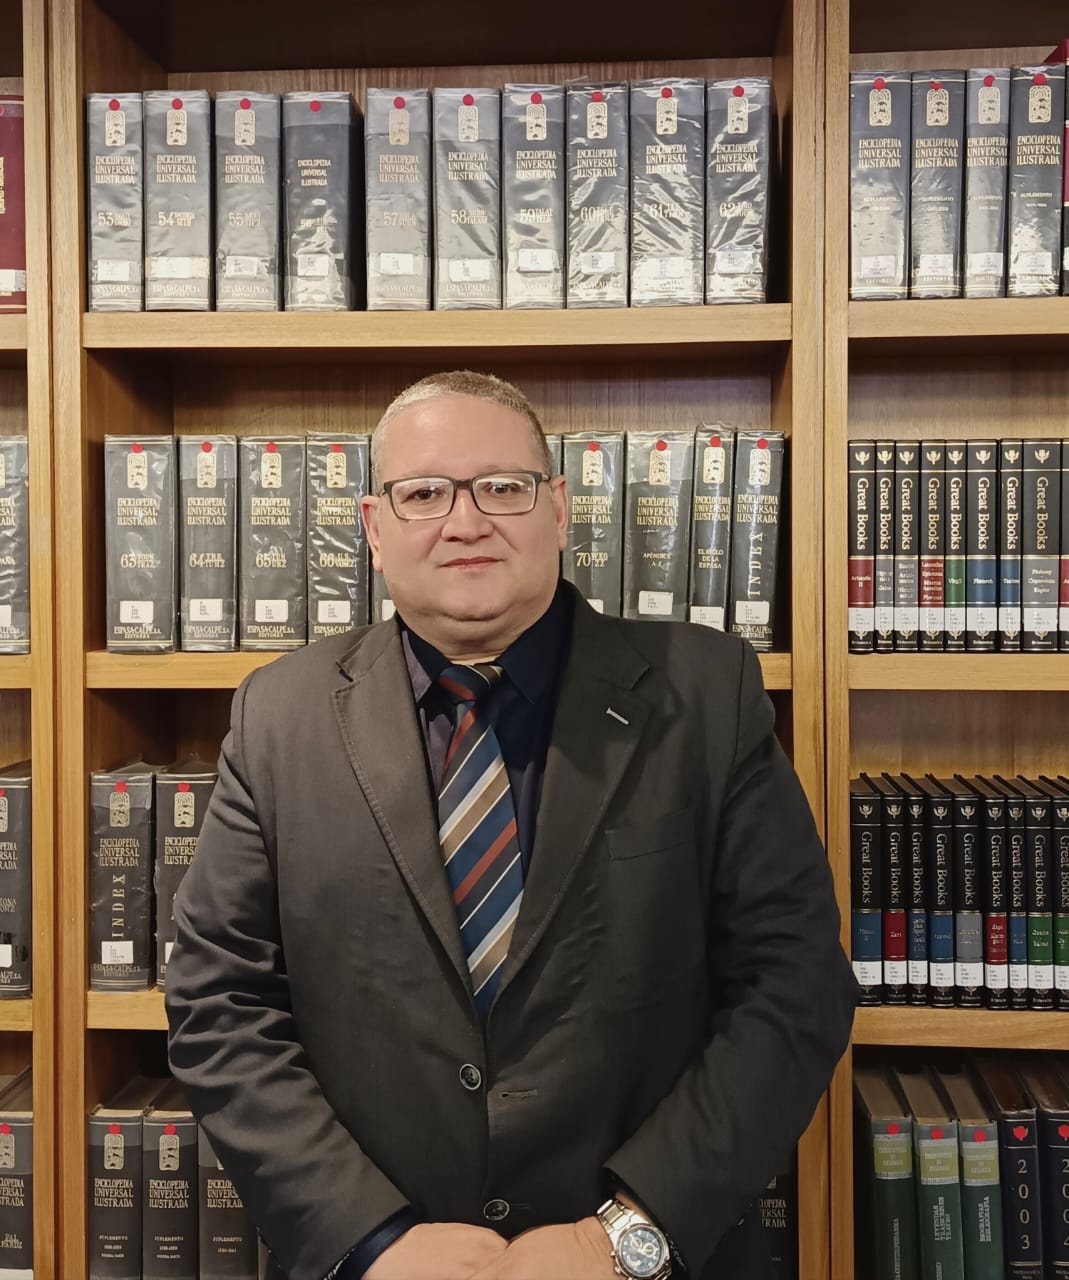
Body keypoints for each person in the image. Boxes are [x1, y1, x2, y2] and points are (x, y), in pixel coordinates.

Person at [166, 370, 857, 1280]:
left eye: (501, 487)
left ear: (558, 508)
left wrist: (624, 1236)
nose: (465, 522)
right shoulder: (278, 715)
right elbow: (218, 1001)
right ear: (373, 528)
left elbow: (794, 984)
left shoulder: (706, 696)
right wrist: (367, 1239)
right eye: (423, 494)